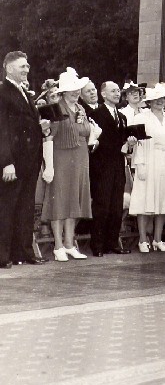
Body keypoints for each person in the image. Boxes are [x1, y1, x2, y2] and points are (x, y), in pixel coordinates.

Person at [0, 51, 49, 268]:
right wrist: (6, 162)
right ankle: (3, 256)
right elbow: (2, 130)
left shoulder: (25, 93)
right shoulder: (2, 92)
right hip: (13, 163)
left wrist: (41, 127)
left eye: (27, 66)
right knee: (7, 208)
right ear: (9, 68)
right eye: (22, 66)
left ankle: (23, 252)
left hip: (30, 161)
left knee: (25, 208)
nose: (26, 69)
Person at [42, 68, 93, 262]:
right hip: (61, 158)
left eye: (78, 89)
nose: (76, 92)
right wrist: (49, 166)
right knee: (60, 202)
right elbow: (48, 137)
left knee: (74, 201)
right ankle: (58, 246)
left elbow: (86, 131)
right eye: (72, 89)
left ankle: (70, 244)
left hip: (80, 158)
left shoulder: (81, 109)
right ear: (63, 91)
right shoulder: (56, 108)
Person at [129, 84, 165, 253]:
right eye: (155, 99)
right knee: (145, 199)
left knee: (163, 200)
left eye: (162, 98)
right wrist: (140, 165)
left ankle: (157, 239)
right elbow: (138, 144)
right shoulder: (141, 117)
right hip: (149, 161)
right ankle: (142, 240)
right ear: (149, 102)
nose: (159, 102)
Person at [89, 82, 136, 257]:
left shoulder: (122, 117)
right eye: (113, 91)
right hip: (102, 166)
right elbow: (96, 142)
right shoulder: (95, 114)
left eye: (118, 91)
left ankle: (112, 242)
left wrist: (129, 145)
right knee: (102, 206)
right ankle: (97, 244)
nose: (117, 94)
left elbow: (123, 142)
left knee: (116, 205)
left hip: (118, 165)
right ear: (103, 94)